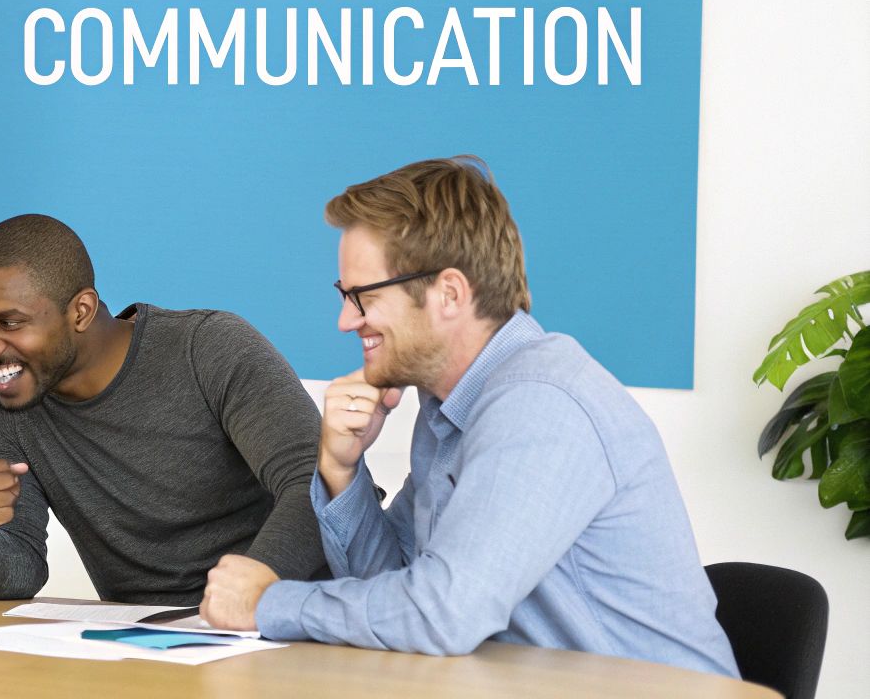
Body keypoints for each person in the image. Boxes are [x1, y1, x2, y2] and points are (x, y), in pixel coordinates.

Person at [199, 157, 739, 677]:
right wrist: (343, 473)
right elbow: (398, 591)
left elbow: (441, 614)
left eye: (362, 297)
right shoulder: (446, 410)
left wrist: (270, 604)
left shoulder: (540, 404)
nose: (346, 321)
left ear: (450, 293)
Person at [0, 214, 326, 605]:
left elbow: (319, 485)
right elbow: (15, 575)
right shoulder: (8, 404)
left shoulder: (209, 349)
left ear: (80, 311)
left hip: (300, 622)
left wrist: (254, 587)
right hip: (148, 644)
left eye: (9, 322)